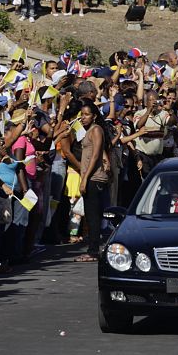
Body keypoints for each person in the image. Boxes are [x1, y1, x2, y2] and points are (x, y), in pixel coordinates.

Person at [75, 100, 110, 262]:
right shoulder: (89, 130)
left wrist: (85, 178)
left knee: (93, 215)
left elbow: (95, 155)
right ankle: (93, 248)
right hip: (92, 176)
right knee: (91, 215)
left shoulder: (96, 130)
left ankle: (93, 250)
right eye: (82, 114)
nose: (83, 117)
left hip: (94, 177)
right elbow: (101, 151)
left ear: (94, 116)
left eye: (87, 114)